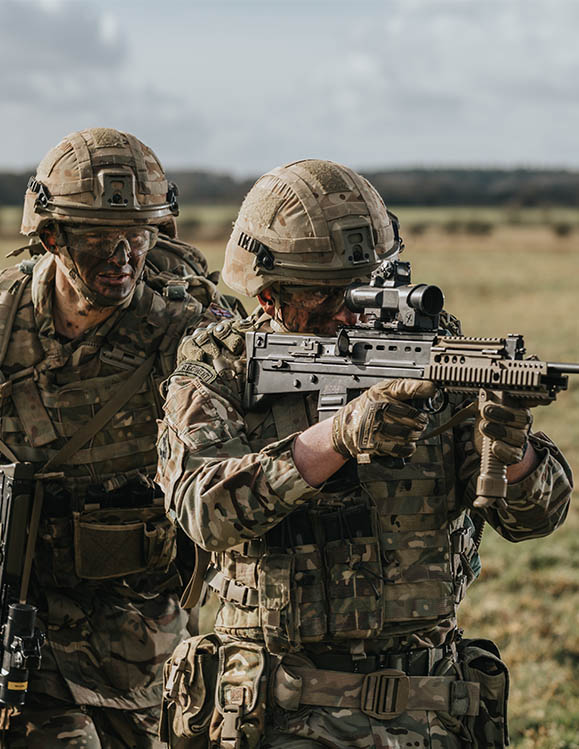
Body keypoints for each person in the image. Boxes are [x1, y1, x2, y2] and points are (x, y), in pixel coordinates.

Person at [156, 159, 573, 748]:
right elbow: (203, 511)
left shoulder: (436, 357)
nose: (355, 311)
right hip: (276, 713)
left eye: (373, 284)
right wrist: (338, 437)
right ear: (271, 296)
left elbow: (537, 520)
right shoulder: (221, 370)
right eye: (330, 297)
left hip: (429, 710)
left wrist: (512, 448)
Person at [0, 127, 234, 748]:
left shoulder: (189, 330)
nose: (123, 256)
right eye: (100, 238)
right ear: (51, 237)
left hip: (141, 637)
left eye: (138, 235)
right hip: (23, 627)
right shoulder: (2, 323)